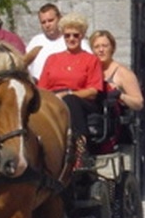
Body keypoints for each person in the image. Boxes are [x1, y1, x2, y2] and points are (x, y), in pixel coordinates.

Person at [37, 12, 103, 164]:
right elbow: (42, 88)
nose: (71, 39)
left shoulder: (90, 60)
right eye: (67, 35)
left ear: (82, 36)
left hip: (81, 100)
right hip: (53, 99)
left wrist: (68, 93)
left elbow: (93, 91)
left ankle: (81, 148)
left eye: (75, 35)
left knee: (70, 100)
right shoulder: (52, 59)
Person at [89, 29, 145, 112]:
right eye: (96, 47)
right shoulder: (91, 71)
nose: (101, 50)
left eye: (105, 46)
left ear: (112, 48)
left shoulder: (123, 72)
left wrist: (120, 96)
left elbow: (139, 103)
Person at [26, 3, 67, 81]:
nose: (47, 25)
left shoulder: (71, 40)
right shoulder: (35, 42)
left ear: (60, 18)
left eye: (50, 20)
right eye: (43, 22)